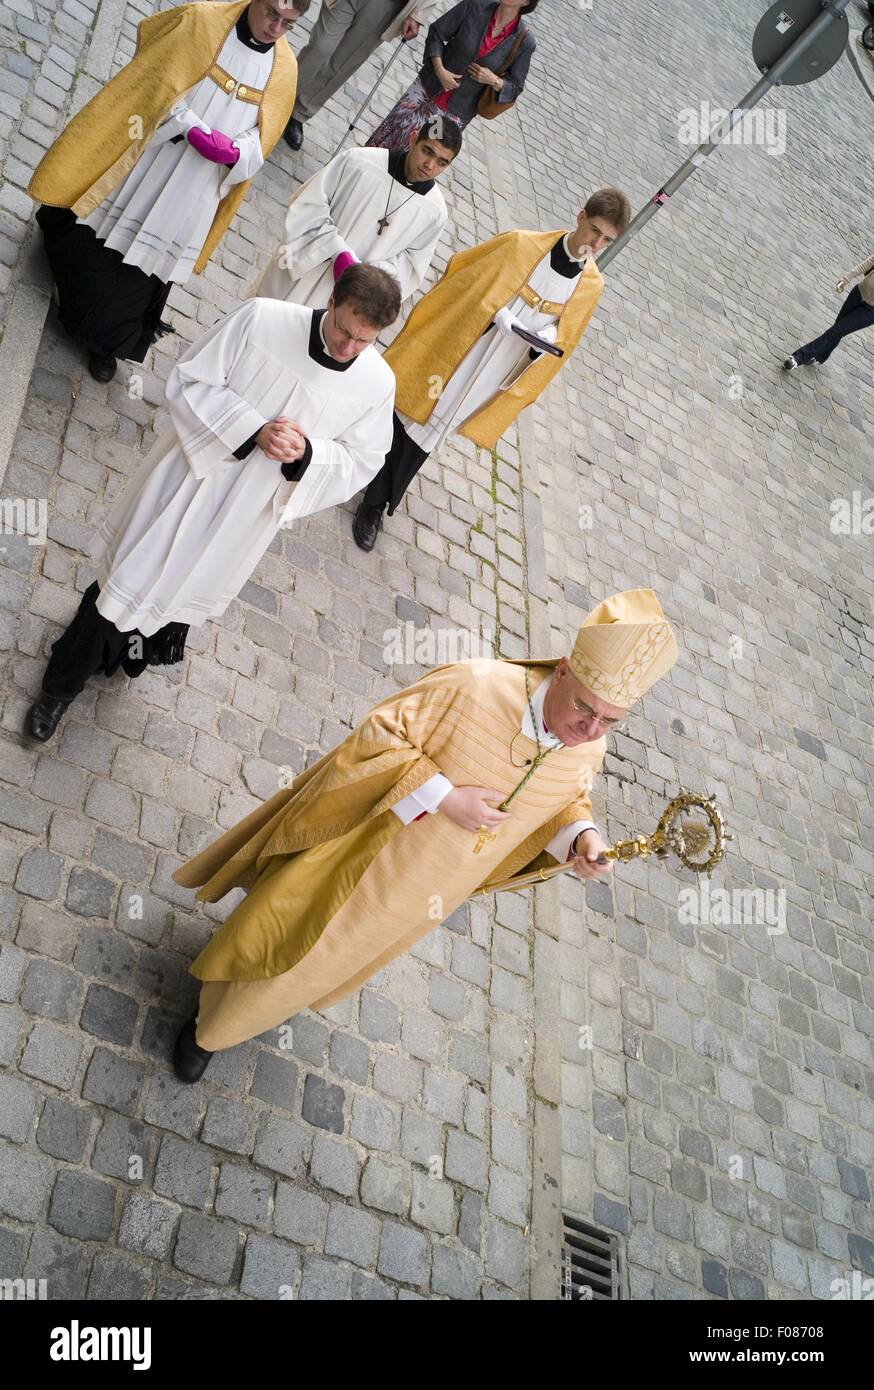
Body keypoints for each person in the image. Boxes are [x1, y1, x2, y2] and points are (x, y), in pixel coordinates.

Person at [169, 589, 679, 1081]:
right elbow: (380, 732)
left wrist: (581, 837)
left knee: (330, 962)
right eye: (585, 709)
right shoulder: (476, 686)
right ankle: (208, 1030)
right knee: (299, 939)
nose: (589, 730)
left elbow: (565, 798)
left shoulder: (588, 750)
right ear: (563, 669)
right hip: (368, 859)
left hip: (427, 893)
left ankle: (246, 1008)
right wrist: (445, 796)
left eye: (609, 721)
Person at [24, 265, 401, 743]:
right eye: (345, 331)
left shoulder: (376, 383)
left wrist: (309, 454)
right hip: (191, 476)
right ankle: (61, 685)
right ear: (331, 302)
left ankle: (127, 655)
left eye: (363, 341)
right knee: (128, 575)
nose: (348, 348)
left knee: (182, 587)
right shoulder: (263, 319)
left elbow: (364, 459)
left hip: (248, 512)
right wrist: (253, 430)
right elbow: (191, 378)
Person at [27, 0, 306, 384]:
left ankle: (108, 341)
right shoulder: (201, 21)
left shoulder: (284, 69)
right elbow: (154, 79)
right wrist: (188, 125)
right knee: (106, 226)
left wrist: (237, 151)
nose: (275, 29)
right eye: (272, 14)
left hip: (199, 183)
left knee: (150, 262)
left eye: (288, 24)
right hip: (153, 157)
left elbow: (264, 137)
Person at [352, 186, 630, 552]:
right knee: (415, 413)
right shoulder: (522, 245)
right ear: (580, 217)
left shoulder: (591, 286)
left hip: (500, 366)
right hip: (470, 346)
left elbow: (567, 336)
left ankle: (379, 499)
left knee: (434, 430)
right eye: (595, 230)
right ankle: (370, 491)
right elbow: (466, 273)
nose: (595, 244)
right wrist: (497, 312)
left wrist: (546, 334)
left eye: (606, 240)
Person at [257, 116, 458, 306]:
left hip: (349, 296)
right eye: (427, 151)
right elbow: (309, 203)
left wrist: (367, 275)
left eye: (442, 162)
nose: (429, 165)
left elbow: (411, 266)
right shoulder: (359, 162)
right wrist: (337, 251)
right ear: (413, 139)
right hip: (305, 269)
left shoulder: (435, 212)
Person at [366, 0, 536, 151]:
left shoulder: (524, 42)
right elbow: (437, 33)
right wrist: (440, 69)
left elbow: (515, 87)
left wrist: (494, 80)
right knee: (383, 137)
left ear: (527, 2)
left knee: (418, 152)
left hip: (452, 115)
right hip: (425, 88)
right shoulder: (474, 5)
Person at [283, 0, 444, 151]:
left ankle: (299, 113)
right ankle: (277, 97)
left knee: (341, 64)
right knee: (320, 47)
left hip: (385, 7)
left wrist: (417, 15)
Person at [782, 250, 874, 370]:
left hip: (870, 311)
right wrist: (847, 278)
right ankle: (820, 357)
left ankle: (797, 358)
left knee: (837, 330)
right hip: (859, 292)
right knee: (837, 328)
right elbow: (870, 262)